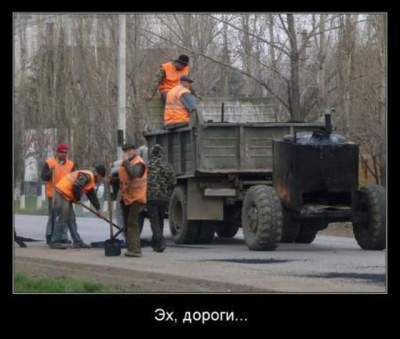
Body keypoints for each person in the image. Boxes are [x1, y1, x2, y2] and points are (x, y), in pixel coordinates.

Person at [49, 165, 106, 249]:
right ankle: (55, 241)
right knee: (63, 217)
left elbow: (92, 195)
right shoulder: (87, 175)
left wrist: (98, 209)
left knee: (71, 219)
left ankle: (77, 241)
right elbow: (76, 186)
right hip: (61, 193)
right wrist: (77, 199)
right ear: (99, 175)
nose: (100, 181)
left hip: (66, 196)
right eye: (101, 178)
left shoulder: (90, 179)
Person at [41, 143, 76, 244]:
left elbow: (74, 179)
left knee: (64, 217)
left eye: (65, 152)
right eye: (62, 152)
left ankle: (62, 237)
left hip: (66, 195)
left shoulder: (71, 164)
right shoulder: (49, 163)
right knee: (53, 216)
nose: (64, 154)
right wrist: (50, 172)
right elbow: (43, 177)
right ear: (57, 152)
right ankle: (49, 235)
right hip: (53, 194)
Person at [118, 143, 148, 257]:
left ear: (134, 151)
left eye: (129, 150)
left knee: (132, 223)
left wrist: (125, 163)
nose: (127, 153)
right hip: (127, 197)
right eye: (125, 151)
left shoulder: (138, 163)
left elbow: (134, 174)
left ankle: (135, 250)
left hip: (137, 197)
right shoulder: (127, 163)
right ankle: (130, 248)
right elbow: (124, 177)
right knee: (127, 223)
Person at [147, 144, 176, 252]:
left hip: (151, 197)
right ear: (161, 154)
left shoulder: (147, 165)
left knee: (154, 221)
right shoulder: (166, 166)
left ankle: (160, 242)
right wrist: (167, 190)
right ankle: (156, 245)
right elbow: (173, 182)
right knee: (160, 220)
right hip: (163, 197)